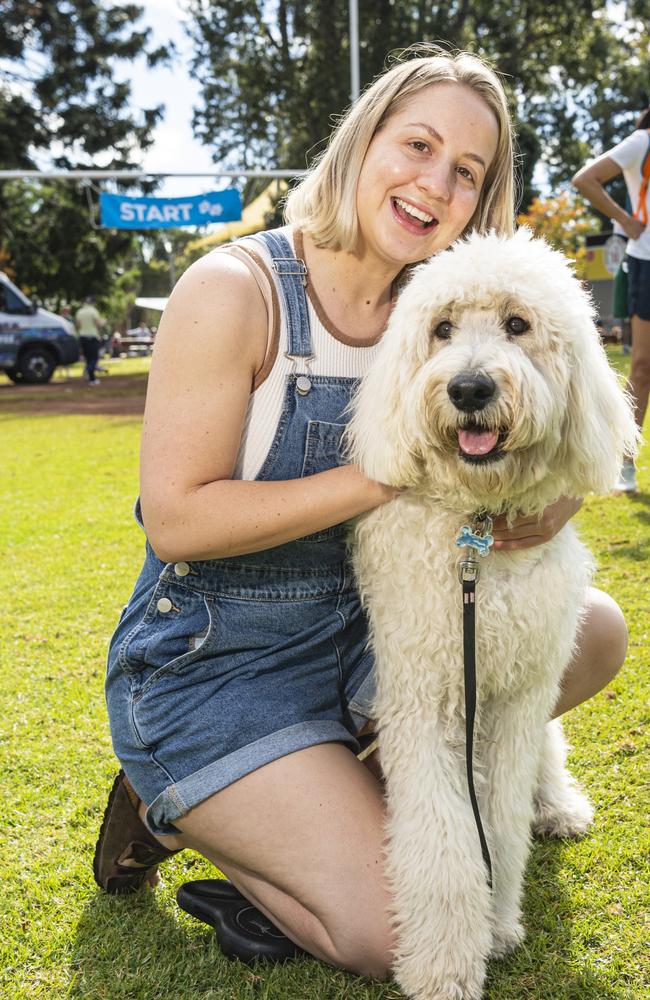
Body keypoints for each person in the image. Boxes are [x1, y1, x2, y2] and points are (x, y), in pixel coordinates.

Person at [94, 47, 629, 978]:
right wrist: (386, 474)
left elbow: (557, 393)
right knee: (395, 933)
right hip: (222, 668)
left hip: (363, 651)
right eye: (416, 144)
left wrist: (548, 501)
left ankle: (326, 797)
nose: (434, 183)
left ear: (481, 198)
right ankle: (172, 802)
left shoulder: (438, 305)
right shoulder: (234, 293)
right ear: (362, 142)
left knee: (595, 633)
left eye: (466, 172)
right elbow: (175, 520)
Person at [573, 108, 650, 494]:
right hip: (646, 262)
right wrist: (627, 220)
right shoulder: (642, 142)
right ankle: (624, 462)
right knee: (642, 366)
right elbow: (585, 180)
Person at [75, 295, 106, 385]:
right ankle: (88, 371)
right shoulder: (93, 311)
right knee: (94, 358)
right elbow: (98, 325)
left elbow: (77, 326)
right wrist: (103, 322)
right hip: (92, 337)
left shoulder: (80, 312)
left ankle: (92, 379)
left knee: (88, 358)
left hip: (82, 338)